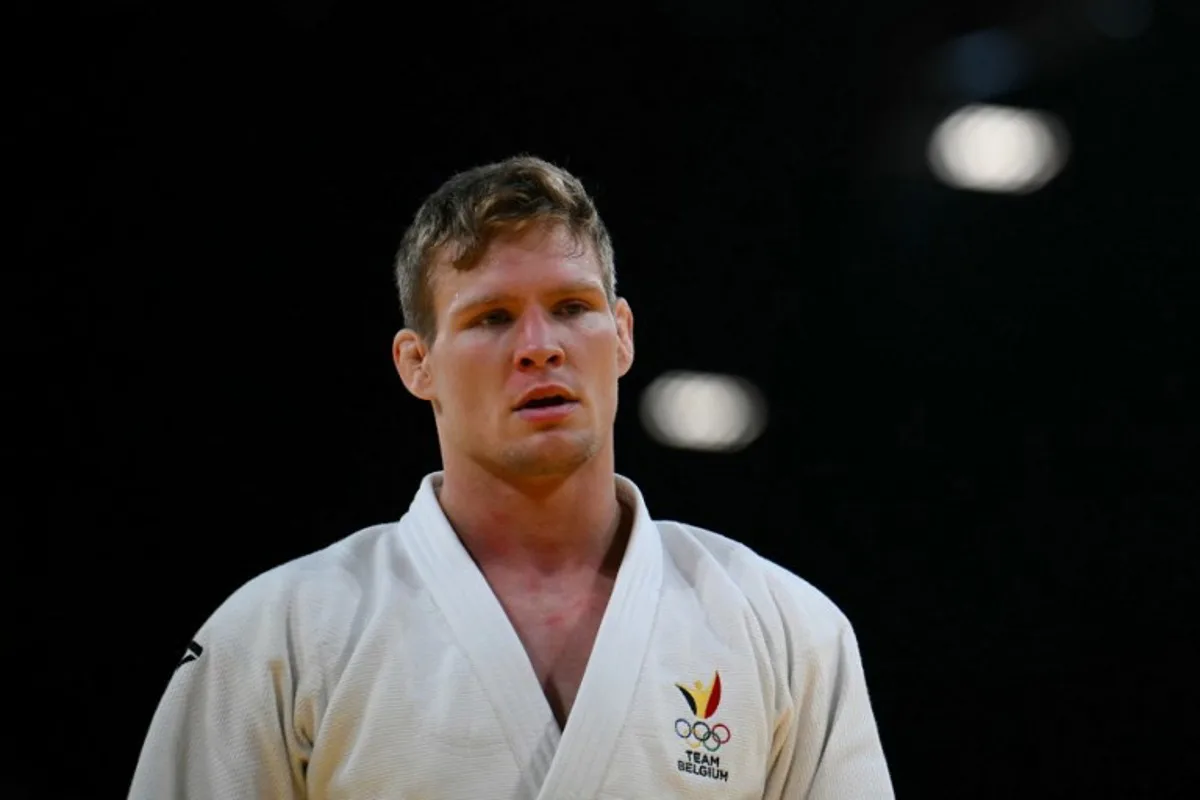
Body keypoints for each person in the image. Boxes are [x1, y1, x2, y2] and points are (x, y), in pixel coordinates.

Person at [128, 156, 895, 799]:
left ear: (622, 336)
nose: (540, 346)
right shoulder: (281, 635)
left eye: (571, 307)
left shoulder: (784, 629)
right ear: (415, 363)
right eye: (491, 317)